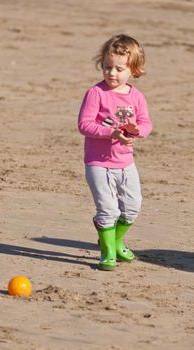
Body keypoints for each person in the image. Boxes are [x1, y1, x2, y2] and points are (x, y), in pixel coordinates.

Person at [78, 34, 152, 271]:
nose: (112, 73)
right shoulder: (96, 93)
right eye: (107, 67)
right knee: (108, 209)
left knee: (132, 207)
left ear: (134, 69)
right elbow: (84, 124)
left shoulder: (136, 97)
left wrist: (137, 131)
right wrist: (110, 133)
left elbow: (146, 124)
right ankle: (107, 250)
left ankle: (117, 240)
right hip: (97, 163)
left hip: (125, 163)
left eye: (119, 69)